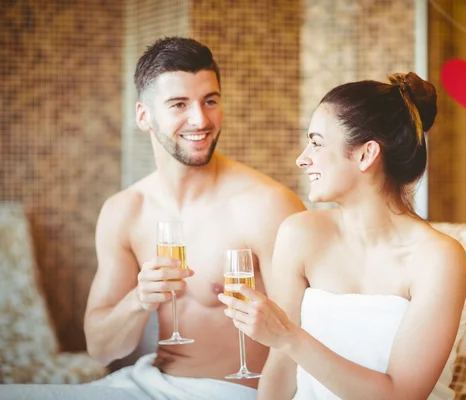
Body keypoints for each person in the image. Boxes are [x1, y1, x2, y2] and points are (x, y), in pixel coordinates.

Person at [1, 37, 305, 400]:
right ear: (144, 116)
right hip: (144, 381)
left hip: (225, 390)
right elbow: (101, 348)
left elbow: (296, 341)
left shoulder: (266, 205)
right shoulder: (125, 210)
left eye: (210, 100)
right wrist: (139, 300)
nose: (200, 119)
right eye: (179, 104)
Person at [218, 72, 466, 400]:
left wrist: (289, 337)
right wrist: (284, 343)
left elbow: (402, 396)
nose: (302, 158)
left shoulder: (438, 259)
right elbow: (279, 369)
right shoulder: (300, 234)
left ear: (366, 155)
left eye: (317, 142)